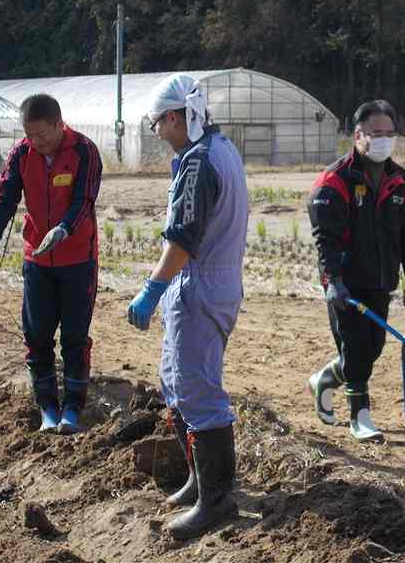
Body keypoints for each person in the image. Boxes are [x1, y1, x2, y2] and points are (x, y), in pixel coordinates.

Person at [126, 73, 248, 540]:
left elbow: (182, 241)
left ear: (176, 117)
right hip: (207, 281)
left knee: (198, 391)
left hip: (200, 283)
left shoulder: (199, 163)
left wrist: (151, 289)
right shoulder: (222, 149)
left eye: (158, 123)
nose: (157, 132)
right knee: (175, 382)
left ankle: (216, 501)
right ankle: (200, 480)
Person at [0, 93, 102, 435]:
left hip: (77, 260)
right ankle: (47, 407)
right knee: (37, 334)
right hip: (37, 261)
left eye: (42, 135)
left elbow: (84, 199)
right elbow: (5, 196)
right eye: (30, 136)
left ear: (59, 124)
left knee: (74, 336)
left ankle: (73, 408)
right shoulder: (22, 153)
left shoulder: (84, 151)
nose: (36, 142)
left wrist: (64, 228)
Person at [306, 99, 405, 442]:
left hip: (380, 279)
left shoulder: (400, 181)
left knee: (371, 349)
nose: (384, 139)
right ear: (358, 135)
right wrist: (333, 282)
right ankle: (360, 418)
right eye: (377, 133)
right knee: (356, 349)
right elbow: (325, 241)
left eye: (390, 133)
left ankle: (325, 379)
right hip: (345, 283)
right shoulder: (334, 182)